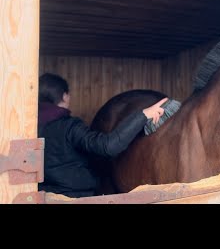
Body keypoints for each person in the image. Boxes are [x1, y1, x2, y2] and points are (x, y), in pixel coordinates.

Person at [37, 72, 167, 198]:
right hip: (76, 198)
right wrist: (143, 115)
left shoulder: (30, 128)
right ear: (65, 96)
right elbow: (107, 146)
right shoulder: (69, 126)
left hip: (44, 196)